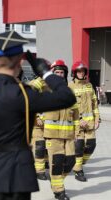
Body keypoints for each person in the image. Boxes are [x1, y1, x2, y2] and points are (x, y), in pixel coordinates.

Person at [0, 30, 76, 200]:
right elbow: (67, 97)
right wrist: (46, 73)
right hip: (18, 173)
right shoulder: (25, 95)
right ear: (20, 61)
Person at [43, 60, 79, 200]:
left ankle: (55, 180)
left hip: (69, 134)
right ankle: (59, 191)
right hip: (52, 135)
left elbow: (75, 113)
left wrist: (76, 132)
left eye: (61, 72)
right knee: (57, 163)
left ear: (65, 74)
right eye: (56, 72)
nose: (59, 74)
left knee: (71, 161)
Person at [68, 61, 100, 182]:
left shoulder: (89, 85)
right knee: (79, 146)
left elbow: (94, 103)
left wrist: (97, 119)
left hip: (90, 124)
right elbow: (70, 107)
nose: (81, 73)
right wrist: (79, 120)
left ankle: (79, 162)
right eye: (78, 71)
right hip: (77, 124)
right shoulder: (70, 87)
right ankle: (78, 169)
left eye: (83, 71)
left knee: (91, 145)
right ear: (74, 72)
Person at [28, 76, 50, 180]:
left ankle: (45, 164)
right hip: (37, 123)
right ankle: (39, 171)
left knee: (47, 146)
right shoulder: (34, 84)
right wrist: (36, 117)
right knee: (39, 146)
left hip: (49, 122)